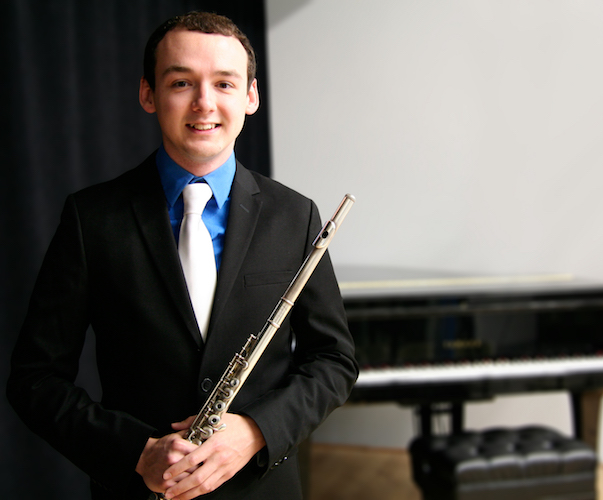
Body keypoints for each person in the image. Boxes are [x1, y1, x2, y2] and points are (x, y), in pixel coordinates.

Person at [7, 12, 358, 500]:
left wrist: (256, 432)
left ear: (251, 96)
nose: (204, 103)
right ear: (148, 94)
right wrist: (135, 452)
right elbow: (34, 380)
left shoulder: (295, 216)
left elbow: (333, 360)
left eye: (224, 83)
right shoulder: (92, 219)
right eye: (180, 82)